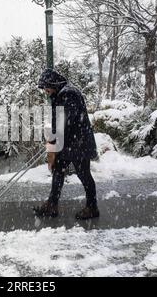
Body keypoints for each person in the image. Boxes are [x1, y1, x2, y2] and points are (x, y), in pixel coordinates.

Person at [33, 68, 100, 220]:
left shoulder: (69, 94)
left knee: (84, 175)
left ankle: (92, 207)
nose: (45, 91)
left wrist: (53, 138)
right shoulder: (60, 94)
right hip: (68, 143)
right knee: (58, 170)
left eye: (46, 87)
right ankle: (52, 205)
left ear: (53, 83)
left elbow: (66, 121)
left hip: (79, 143)